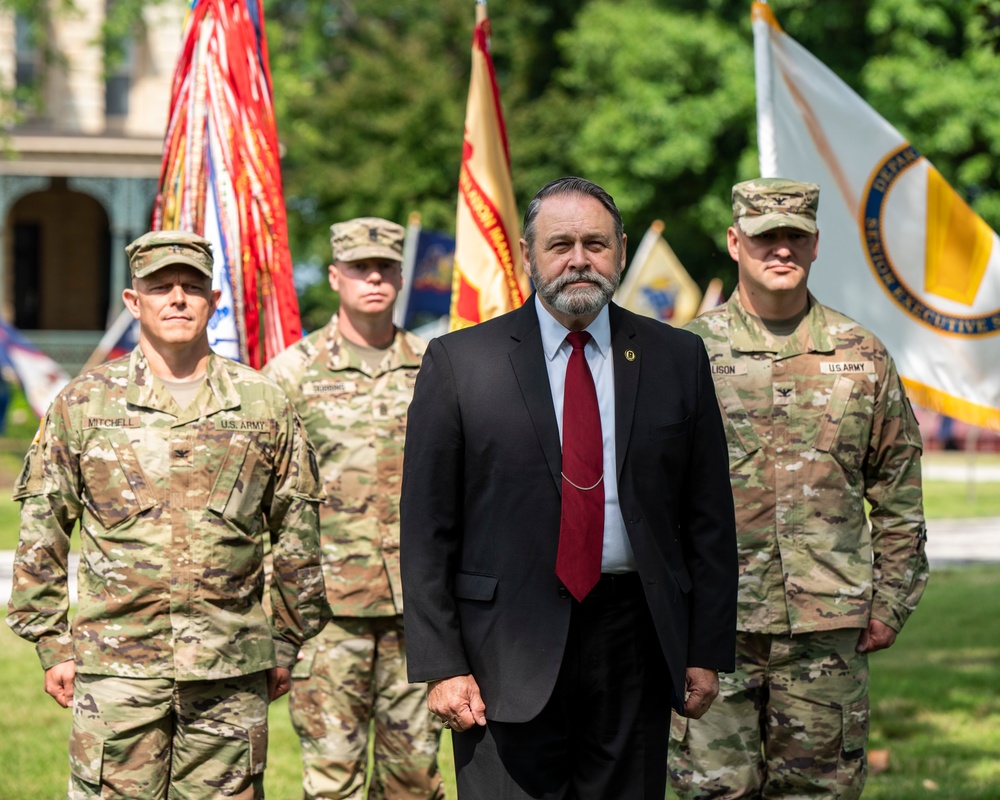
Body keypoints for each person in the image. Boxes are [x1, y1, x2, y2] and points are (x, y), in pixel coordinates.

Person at [399, 176, 738, 799]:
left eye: (595, 243)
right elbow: (426, 529)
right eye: (560, 244)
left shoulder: (677, 358)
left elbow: (709, 516)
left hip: (635, 638)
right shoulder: (458, 362)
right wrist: (442, 664)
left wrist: (706, 647)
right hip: (502, 649)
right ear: (528, 254)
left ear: (622, 250)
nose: (579, 259)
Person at [6, 230, 329, 800]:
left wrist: (284, 642)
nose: (176, 298)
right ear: (135, 301)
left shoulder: (264, 404)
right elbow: (43, 529)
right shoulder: (85, 403)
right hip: (116, 671)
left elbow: (297, 537)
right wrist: (51, 642)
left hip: (230, 669)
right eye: (160, 287)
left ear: (213, 299)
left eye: (191, 287)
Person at [670, 178, 929, 799]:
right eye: (765, 237)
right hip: (711, 632)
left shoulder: (861, 356)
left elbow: (898, 491)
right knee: (715, 795)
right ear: (735, 242)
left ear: (816, 245)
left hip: (825, 636)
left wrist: (891, 602)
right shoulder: (683, 354)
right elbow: (648, 495)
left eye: (795, 236)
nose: (780, 250)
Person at [265, 217, 443, 799]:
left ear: (400, 275)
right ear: (336, 275)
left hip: (417, 609)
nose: (374, 277)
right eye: (360, 268)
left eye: (385, 267)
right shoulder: (291, 374)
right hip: (326, 614)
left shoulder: (437, 365)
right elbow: (261, 493)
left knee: (415, 778)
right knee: (333, 779)